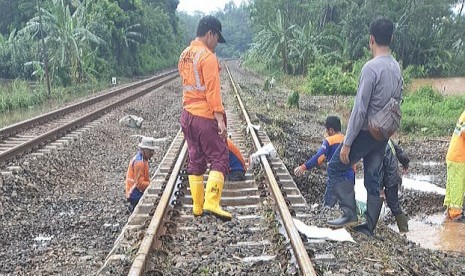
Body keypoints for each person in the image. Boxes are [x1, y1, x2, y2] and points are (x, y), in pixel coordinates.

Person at [326, 18, 403, 237]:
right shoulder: (396, 67)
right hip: (383, 134)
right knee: (372, 178)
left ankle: (349, 214)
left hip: (366, 132)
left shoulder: (371, 68)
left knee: (335, 167)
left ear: (371, 40)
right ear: (392, 39)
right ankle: (368, 226)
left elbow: (360, 110)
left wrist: (347, 143)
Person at [178, 15, 231, 221]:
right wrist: (219, 119)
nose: (217, 43)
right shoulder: (207, 57)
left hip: (187, 117)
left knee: (196, 158)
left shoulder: (185, 54)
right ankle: (212, 202)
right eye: (217, 38)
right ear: (210, 34)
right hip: (203, 116)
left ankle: (198, 206)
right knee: (220, 157)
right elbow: (212, 92)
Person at [294, 116, 355, 208]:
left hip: (336, 178)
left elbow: (319, 158)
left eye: (326, 130)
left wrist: (303, 167)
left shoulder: (329, 141)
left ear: (331, 130)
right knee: (347, 207)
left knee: (328, 206)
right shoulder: (348, 140)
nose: (326, 133)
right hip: (349, 178)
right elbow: (354, 163)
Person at [381, 139, 410, 232]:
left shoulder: (377, 144)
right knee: (393, 203)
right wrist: (405, 163)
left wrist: (380, 188)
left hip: (390, 178)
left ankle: (404, 230)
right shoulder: (388, 139)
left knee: (393, 204)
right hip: (394, 176)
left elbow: (377, 169)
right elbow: (400, 152)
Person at [125, 136, 157, 212]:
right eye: (150, 150)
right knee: (155, 202)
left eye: (152, 150)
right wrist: (152, 184)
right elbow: (139, 184)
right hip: (134, 193)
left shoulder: (142, 158)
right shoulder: (140, 163)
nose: (152, 153)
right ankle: (133, 206)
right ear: (143, 150)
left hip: (135, 190)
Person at [444, 110, 465, 221]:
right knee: (458, 185)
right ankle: (456, 214)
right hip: (459, 157)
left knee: (452, 184)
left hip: (453, 155)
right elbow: (463, 132)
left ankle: (449, 211)